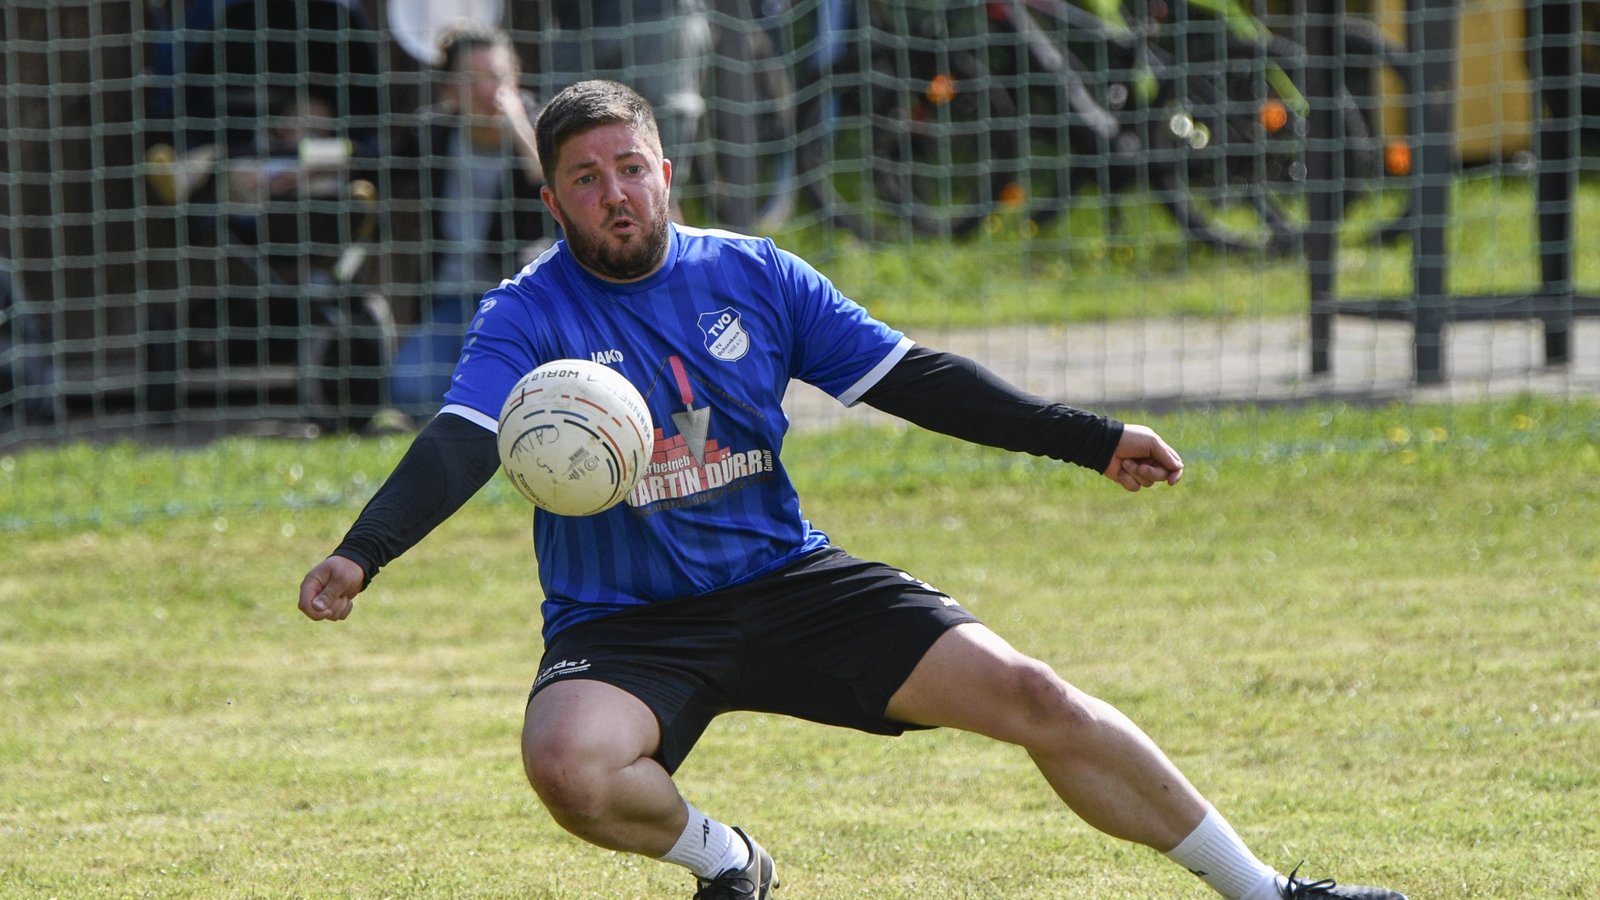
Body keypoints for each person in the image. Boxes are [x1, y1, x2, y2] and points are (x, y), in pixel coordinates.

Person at [297, 80, 1408, 900]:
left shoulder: (752, 274)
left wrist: (1086, 437)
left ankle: (1267, 893)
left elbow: (914, 379)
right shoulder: (525, 314)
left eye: (630, 167)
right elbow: (461, 436)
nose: (615, 195)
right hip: (625, 620)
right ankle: (726, 860)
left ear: (664, 169)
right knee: (568, 769)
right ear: (554, 200)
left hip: (789, 580)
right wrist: (364, 551)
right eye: (586, 180)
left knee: (1035, 697)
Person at [387, 20, 551, 418]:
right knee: (409, 391)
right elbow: (369, 164)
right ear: (449, 90)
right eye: (470, 79)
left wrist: (516, 124)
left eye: (496, 77)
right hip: (453, 300)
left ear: (516, 78)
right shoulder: (433, 135)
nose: (486, 91)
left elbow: (554, 182)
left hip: (525, 301)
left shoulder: (546, 127)